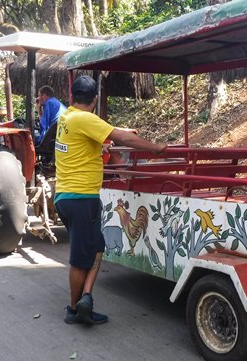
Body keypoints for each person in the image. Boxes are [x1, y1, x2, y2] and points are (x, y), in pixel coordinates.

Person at [54, 75, 167, 325]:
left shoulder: (66, 117)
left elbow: (78, 146)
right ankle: (73, 310)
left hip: (68, 195)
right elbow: (123, 138)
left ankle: (86, 299)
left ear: (72, 97)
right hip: (81, 197)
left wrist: (99, 149)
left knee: (96, 249)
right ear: (95, 99)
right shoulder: (86, 119)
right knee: (80, 258)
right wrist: (155, 147)